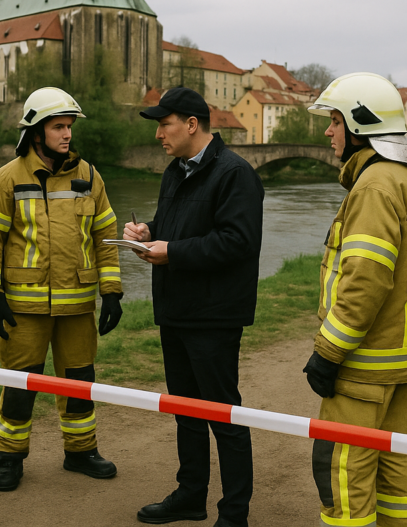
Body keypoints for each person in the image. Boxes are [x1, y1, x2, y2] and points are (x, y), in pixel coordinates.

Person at [124, 87, 263, 527]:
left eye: (164, 124)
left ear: (191, 124)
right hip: (176, 310)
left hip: (214, 316)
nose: (159, 133)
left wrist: (174, 252)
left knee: (224, 414)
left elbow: (238, 243)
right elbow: (175, 225)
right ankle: (190, 496)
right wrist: (149, 230)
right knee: (185, 409)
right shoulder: (174, 172)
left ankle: (234, 513)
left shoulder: (235, 173)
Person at [301, 73, 407, 527]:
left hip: (362, 366)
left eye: (335, 121)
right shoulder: (403, 181)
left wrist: (328, 352)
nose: (328, 131)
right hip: (394, 363)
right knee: (395, 475)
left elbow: (365, 281)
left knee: (342, 474)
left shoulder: (374, 187)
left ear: (361, 126)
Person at [0, 86, 124, 492]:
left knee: (79, 381)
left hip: (77, 305)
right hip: (23, 308)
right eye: (58, 126)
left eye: (69, 126)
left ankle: (80, 452)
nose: (67, 134)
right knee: (20, 384)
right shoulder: (7, 179)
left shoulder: (89, 176)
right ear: (37, 131)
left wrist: (111, 290)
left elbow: (105, 235)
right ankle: (9, 457)